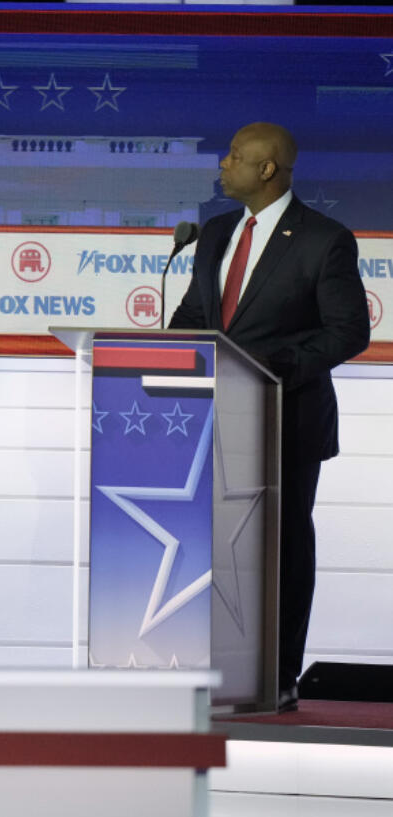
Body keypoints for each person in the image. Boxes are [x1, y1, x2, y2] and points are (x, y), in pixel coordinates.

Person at [169, 122, 369, 712]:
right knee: (212, 545)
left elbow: (348, 332)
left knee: (281, 549)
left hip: (287, 417)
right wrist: (165, 354)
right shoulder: (216, 233)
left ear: (267, 169)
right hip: (213, 420)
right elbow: (193, 314)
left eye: (234, 156)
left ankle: (278, 675)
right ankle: (213, 669)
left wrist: (267, 364)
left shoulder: (324, 239)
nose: (222, 163)